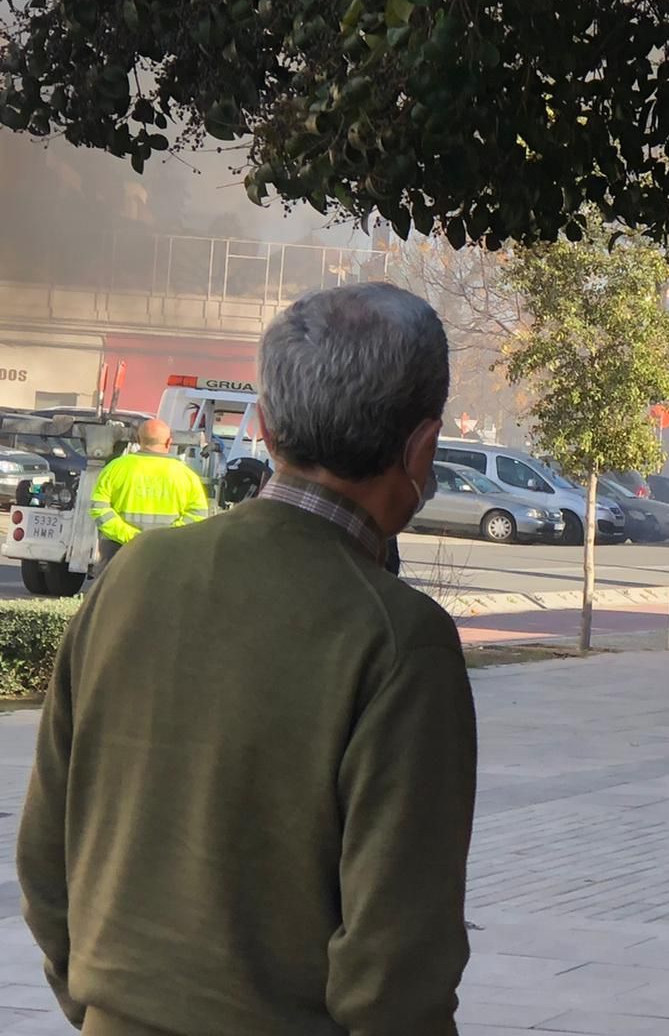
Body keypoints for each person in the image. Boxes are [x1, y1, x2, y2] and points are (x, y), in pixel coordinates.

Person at [18, 282, 478, 1035]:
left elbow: (45, 857)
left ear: (264, 427)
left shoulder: (132, 576)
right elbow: (396, 966)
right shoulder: (400, 639)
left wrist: (103, 1003)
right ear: (421, 447)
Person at [89, 418, 210, 566]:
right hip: (168, 554)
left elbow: (98, 509)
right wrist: (166, 538)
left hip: (119, 554)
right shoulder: (186, 475)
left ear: (138, 439)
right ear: (168, 442)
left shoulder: (115, 469)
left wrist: (131, 536)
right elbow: (198, 515)